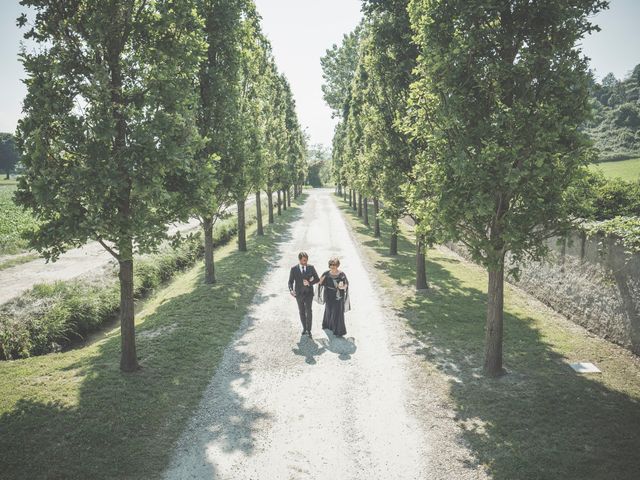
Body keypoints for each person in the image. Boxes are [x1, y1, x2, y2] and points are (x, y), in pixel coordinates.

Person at [316, 256, 350, 337]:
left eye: (334, 265)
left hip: (338, 296)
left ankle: (339, 331)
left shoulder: (342, 274)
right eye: (331, 264)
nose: (332, 266)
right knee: (329, 310)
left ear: (337, 265)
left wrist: (342, 287)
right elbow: (319, 283)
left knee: (338, 312)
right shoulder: (326, 273)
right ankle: (328, 326)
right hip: (328, 295)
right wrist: (321, 280)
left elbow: (346, 285)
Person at [288, 252, 320, 337]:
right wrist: (291, 290)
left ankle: (309, 330)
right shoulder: (294, 269)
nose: (305, 262)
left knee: (308, 311)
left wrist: (309, 282)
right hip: (298, 294)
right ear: (299, 260)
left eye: (306, 260)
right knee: (301, 311)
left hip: (309, 293)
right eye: (303, 260)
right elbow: (290, 282)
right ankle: (304, 328)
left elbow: (317, 279)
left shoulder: (311, 267)